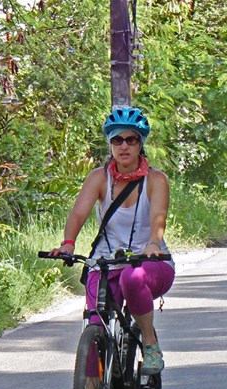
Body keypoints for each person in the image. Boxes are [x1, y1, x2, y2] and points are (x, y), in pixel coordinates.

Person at [50, 106, 175, 375]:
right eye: (117, 140)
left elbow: (158, 218)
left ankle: (150, 343)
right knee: (94, 327)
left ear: (140, 144)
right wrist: (68, 243)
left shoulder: (156, 180)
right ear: (110, 144)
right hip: (107, 262)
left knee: (133, 277)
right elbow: (78, 213)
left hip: (150, 262)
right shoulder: (99, 178)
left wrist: (154, 242)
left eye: (131, 139)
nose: (124, 146)